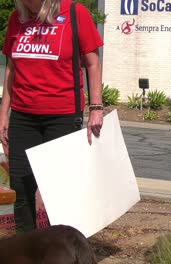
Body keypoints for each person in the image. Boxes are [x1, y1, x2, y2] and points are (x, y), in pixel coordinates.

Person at [0, 0, 104, 234]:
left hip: (63, 115)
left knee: (60, 190)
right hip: (22, 115)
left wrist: (96, 107)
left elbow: (92, 62)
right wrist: (3, 114)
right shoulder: (17, 18)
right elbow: (11, 68)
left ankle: (64, 248)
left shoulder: (75, 12)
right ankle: (27, 249)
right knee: (22, 186)